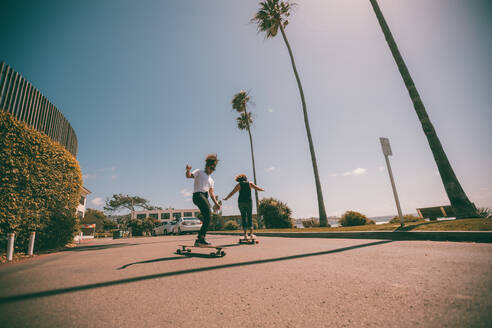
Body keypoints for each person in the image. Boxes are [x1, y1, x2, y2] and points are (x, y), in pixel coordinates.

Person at [186, 154, 221, 246]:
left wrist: (216, 203)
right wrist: (188, 170)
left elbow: (211, 193)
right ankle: (201, 239)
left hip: (205, 196)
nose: (212, 171)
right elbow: (189, 176)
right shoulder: (199, 172)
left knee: (208, 218)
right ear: (207, 166)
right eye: (211, 168)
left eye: (214, 169)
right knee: (208, 215)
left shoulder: (211, 180)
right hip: (198, 195)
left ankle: (199, 239)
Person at [223, 174, 264, 240]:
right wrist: (262, 189)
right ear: (245, 178)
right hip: (248, 202)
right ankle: (251, 234)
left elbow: (232, 192)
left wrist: (226, 198)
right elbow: (256, 187)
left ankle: (245, 234)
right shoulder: (250, 183)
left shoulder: (239, 185)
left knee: (243, 216)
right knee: (249, 216)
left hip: (241, 202)